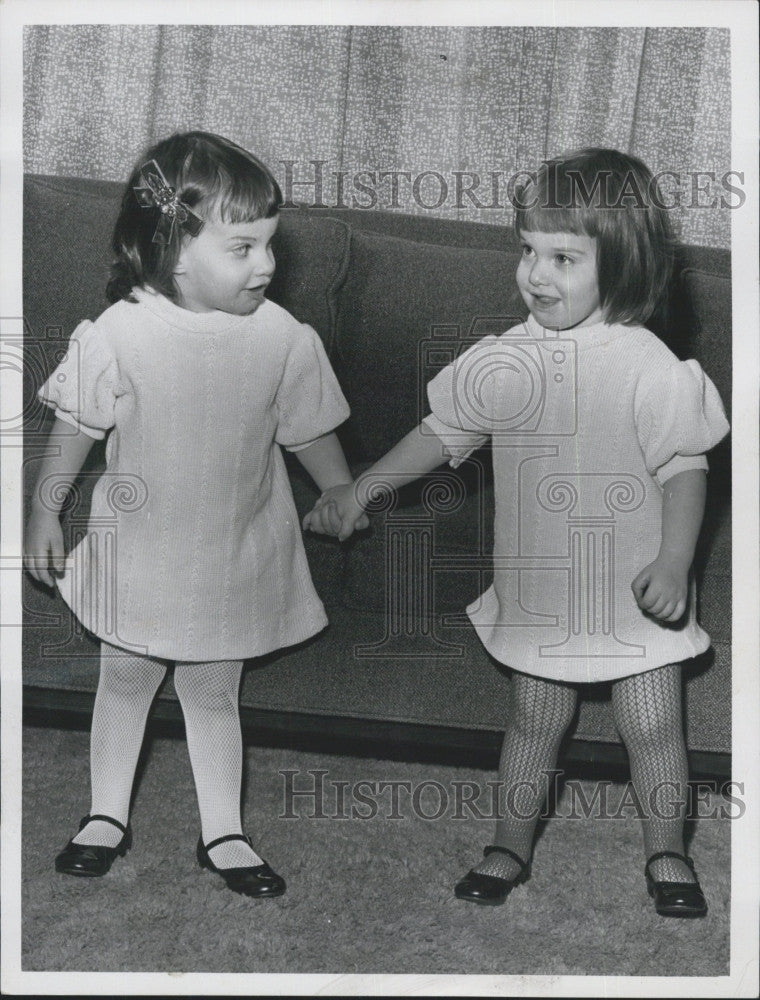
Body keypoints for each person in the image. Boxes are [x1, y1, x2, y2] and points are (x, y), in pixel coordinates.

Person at [304, 148, 729, 918]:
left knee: (654, 724)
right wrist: (358, 489)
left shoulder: (650, 366)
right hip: (541, 591)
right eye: (528, 250)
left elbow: (686, 472)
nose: (536, 274)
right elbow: (441, 431)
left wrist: (674, 562)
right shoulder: (507, 356)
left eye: (563, 256)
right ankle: (509, 841)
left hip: (634, 591)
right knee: (535, 718)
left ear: (624, 263)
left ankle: (667, 849)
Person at [24, 130, 364, 898]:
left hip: (231, 551)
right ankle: (105, 814)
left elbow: (308, 427)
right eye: (243, 247)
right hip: (141, 549)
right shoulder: (121, 331)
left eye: (270, 244)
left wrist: (341, 493)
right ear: (174, 250)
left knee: (213, 690)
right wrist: (46, 514)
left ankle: (224, 831)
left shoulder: (283, 338)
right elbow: (76, 425)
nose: (268, 265)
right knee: (126, 676)